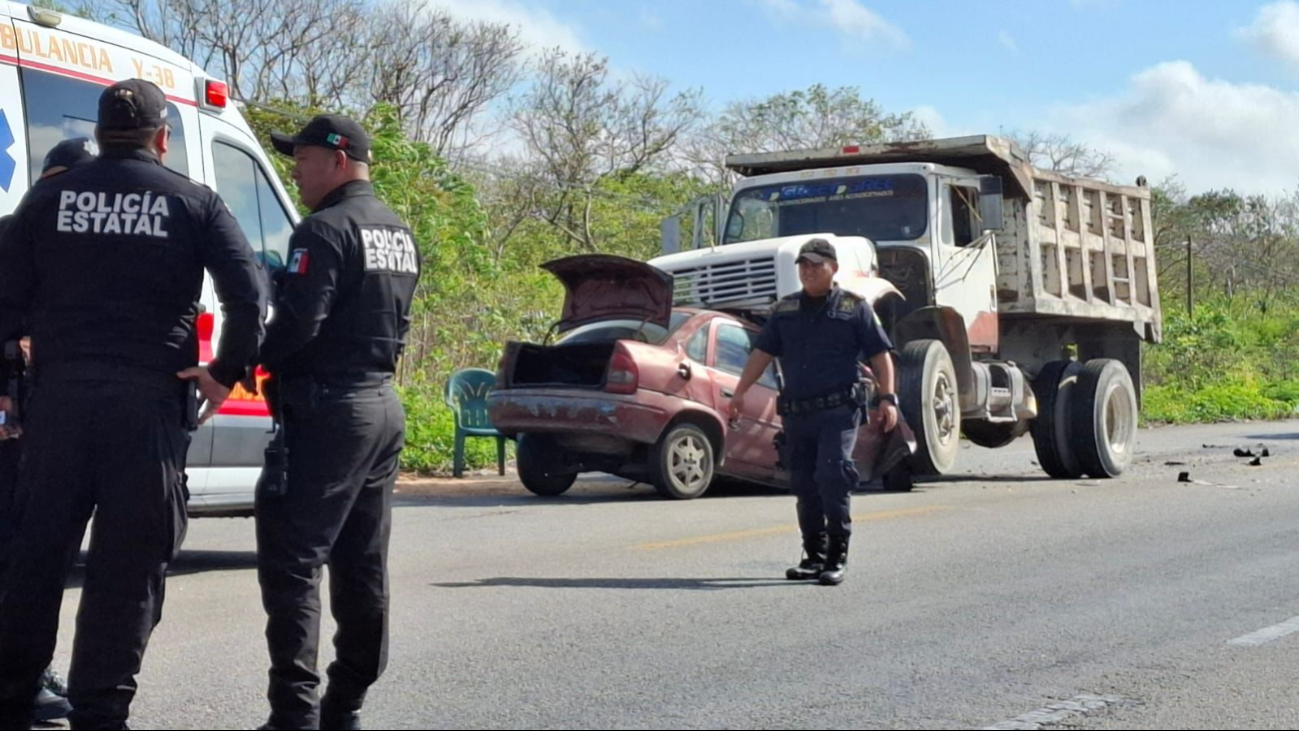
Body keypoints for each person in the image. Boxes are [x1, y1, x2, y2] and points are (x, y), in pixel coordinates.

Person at [0, 79, 266, 730]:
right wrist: (223, 373)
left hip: (58, 408)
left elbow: (4, 296)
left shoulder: (47, 199)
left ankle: (11, 700)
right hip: (146, 415)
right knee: (126, 574)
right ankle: (102, 711)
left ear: (99, 133)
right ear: (162, 137)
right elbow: (248, 297)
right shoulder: (194, 202)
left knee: (37, 563)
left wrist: (10, 382)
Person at [255, 115, 419, 730]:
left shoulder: (322, 230)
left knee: (294, 562)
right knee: (361, 562)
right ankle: (344, 704)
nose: (296, 167)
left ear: (339, 159)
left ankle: (293, 716)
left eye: (303, 157)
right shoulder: (399, 231)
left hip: (328, 411)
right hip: (381, 405)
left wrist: (246, 360)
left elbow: (298, 326)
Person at [727, 237, 899, 586]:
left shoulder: (855, 308)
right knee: (804, 482)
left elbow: (880, 357)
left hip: (839, 410)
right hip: (797, 412)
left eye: (816, 265)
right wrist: (740, 392)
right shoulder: (785, 310)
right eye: (803, 265)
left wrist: (888, 398)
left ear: (833, 268)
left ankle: (837, 556)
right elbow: (761, 354)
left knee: (832, 476)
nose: (808, 271)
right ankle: (813, 555)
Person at [0, 136, 98, 726]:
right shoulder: (13, 235)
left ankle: (27, 670)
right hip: (11, 419)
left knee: (32, 556)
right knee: (15, 551)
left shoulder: (71, 248)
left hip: (49, 419)